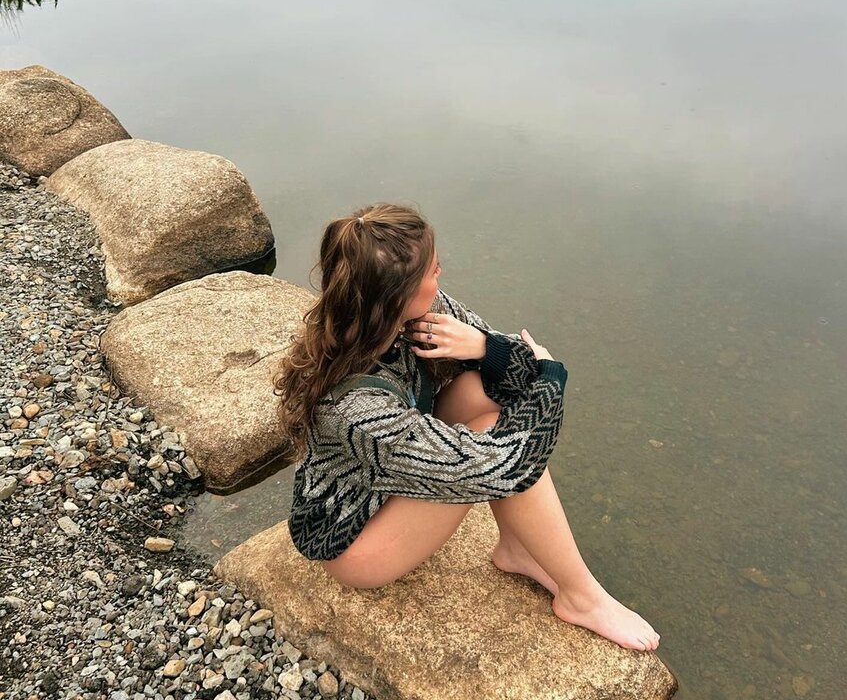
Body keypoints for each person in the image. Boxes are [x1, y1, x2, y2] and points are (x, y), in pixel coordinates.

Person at [273, 203, 659, 652]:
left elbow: (521, 377)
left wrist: (484, 348)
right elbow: (502, 466)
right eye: (431, 270)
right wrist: (553, 380)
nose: (440, 271)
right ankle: (581, 597)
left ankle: (517, 547)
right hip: (356, 538)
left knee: (485, 390)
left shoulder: (415, 313)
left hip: (393, 471)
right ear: (397, 295)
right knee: (496, 441)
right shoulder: (355, 410)